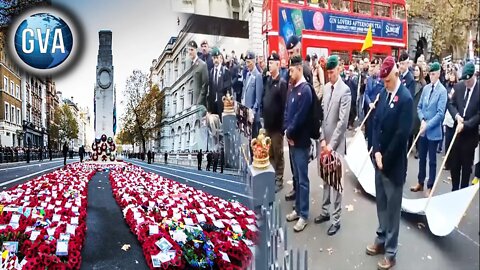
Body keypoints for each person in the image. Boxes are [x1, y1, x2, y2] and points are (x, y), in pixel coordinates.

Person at [366, 56, 413, 270]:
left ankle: (391, 252)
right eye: (383, 82)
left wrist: (385, 157)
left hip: (393, 165)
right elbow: (375, 124)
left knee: (393, 211)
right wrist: (376, 151)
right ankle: (381, 238)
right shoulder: (384, 94)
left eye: (387, 81)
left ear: (395, 74)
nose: (385, 85)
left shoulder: (405, 99)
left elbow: (402, 135)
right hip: (379, 161)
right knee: (382, 205)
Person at [314, 55, 351, 236]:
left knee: (336, 184)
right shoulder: (327, 88)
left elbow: (342, 123)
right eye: (327, 72)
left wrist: (331, 145)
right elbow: (322, 115)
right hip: (325, 142)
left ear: (339, 69)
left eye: (332, 72)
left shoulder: (345, 91)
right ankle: (325, 211)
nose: (330, 76)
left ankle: (336, 219)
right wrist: (322, 139)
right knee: (326, 179)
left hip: (336, 145)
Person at [284, 55, 313, 232]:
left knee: (303, 180)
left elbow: (300, 117)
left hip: (301, 142)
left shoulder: (306, 90)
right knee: (296, 177)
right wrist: (286, 130)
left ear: (299, 69)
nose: (289, 72)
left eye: (292, 70)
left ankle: (304, 214)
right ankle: (297, 208)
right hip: (292, 140)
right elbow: (288, 112)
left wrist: (290, 131)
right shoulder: (293, 88)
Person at [410, 62, 447, 197]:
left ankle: (430, 185)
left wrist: (428, 124)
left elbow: (440, 113)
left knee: (432, 160)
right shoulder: (426, 89)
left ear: (438, 74)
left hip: (433, 132)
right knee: (422, 158)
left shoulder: (442, 91)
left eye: (433, 74)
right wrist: (422, 120)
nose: (431, 77)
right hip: (423, 129)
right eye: (429, 74)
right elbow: (419, 107)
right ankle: (420, 182)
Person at [447, 62, 479, 191]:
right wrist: (456, 116)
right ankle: (454, 190)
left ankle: (462, 191)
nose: (466, 83)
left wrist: (466, 124)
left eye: (468, 80)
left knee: (466, 167)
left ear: (474, 76)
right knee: (454, 165)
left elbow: (479, 115)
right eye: (464, 80)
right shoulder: (458, 87)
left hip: (470, 135)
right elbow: (451, 103)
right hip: (457, 133)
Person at [262, 52, 288, 191]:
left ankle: (279, 179)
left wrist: (283, 127)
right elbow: (265, 98)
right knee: (270, 152)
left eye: (272, 63)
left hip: (277, 127)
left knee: (278, 154)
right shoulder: (268, 81)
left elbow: (285, 106)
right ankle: (272, 176)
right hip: (268, 124)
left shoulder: (282, 83)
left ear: (278, 64)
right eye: (269, 62)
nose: (269, 65)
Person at [242, 51, 264, 139]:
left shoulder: (258, 76)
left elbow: (258, 99)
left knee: (254, 140)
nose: (247, 65)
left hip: (253, 116)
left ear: (254, 61)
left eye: (249, 62)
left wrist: (253, 112)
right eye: (246, 62)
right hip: (246, 113)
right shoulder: (248, 74)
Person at [364, 59, 384, 149]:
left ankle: (376, 150)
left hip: (378, 108)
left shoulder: (382, 80)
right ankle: (369, 150)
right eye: (371, 66)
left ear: (378, 67)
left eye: (374, 67)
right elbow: (366, 93)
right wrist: (369, 103)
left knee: (377, 130)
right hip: (370, 108)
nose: (372, 69)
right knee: (370, 129)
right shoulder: (369, 79)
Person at [208, 47, 231, 116]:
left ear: (220, 58)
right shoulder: (211, 72)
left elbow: (228, 90)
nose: (216, 60)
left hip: (222, 105)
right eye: (214, 58)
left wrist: (228, 106)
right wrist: (209, 108)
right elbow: (210, 90)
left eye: (217, 58)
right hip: (213, 105)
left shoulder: (225, 71)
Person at [187, 40, 209, 109]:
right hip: (191, 105)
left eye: (192, 50)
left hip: (199, 105)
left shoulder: (202, 65)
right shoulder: (189, 65)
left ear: (196, 50)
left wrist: (198, 103)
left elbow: (205, 85)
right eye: (188, 50)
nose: (190, 52)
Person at [411, 64, 427, 159]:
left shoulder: (423, 83)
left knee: (417, 129)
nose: (415, 72)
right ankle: (408, 147)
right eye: (414, 70)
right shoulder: (411, 82)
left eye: (417, 70)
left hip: (418, 107)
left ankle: (418, 150)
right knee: (410, 129)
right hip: (411, 106)